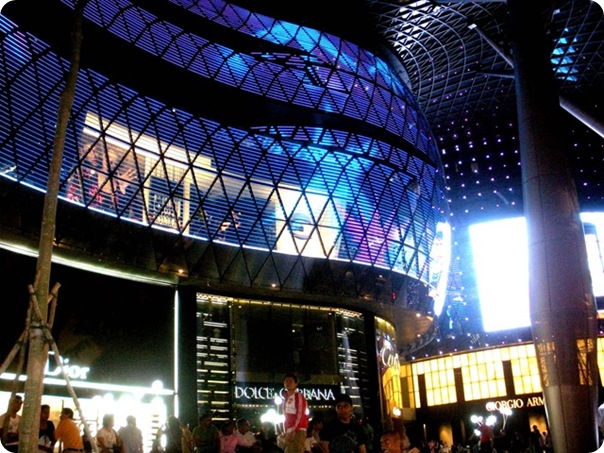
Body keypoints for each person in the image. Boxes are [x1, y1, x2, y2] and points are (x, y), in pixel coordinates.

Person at [282, 373, 308, 453]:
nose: (288, 383)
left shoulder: (298, 396)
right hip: (289, 430)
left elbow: (300, 413)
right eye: (286, 381)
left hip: (298, 430)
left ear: (296, 384)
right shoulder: (286, 398)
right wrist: (286, 430)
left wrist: (294, 430)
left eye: (290, 381)